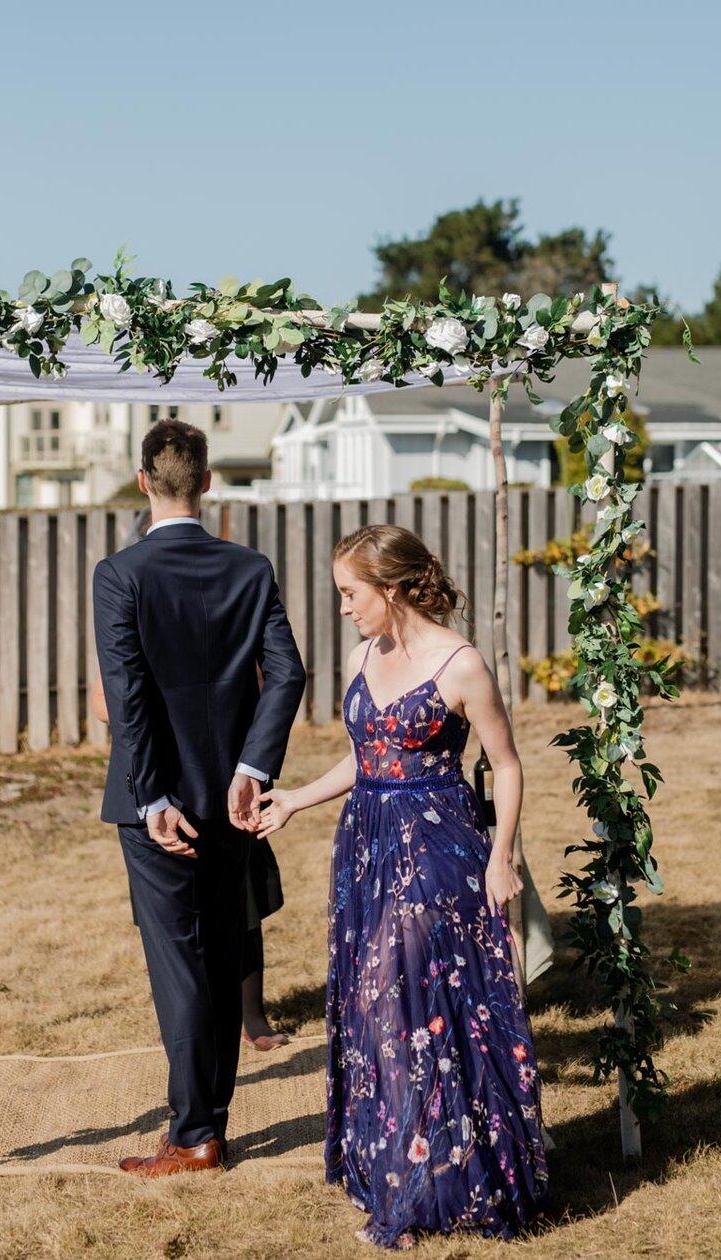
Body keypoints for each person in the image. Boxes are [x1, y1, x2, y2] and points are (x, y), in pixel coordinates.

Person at [258, 525, 548, 1247]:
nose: (345, 608)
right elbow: (368, 757)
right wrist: (295, 798)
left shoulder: (460, 664)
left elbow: (505, 765)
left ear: (390, 588)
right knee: (375, 1011)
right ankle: (408, 1175)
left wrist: (501, 856)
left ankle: (431, 1189)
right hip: (365, 850)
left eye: (352, 593)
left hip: (438, 849)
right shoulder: (364, 655)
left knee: (412, 1003)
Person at [93, 419, 305, 1176]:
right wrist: (254, 764)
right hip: (233, 795)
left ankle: (192, 1136)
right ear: (208, 483)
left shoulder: (120, 575)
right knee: (219, 957)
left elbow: (127, 699)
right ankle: (208, 1125)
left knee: (180, 963)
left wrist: (150, 799)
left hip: (154, 804)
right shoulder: (250, 569)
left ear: (144, 481)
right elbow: (288, 675)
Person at [92, 661, 289, 1052]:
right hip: (163, 781)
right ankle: (191, 1025)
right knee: (175, 920)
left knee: (242, 903)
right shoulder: (133, 629)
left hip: (225, 774)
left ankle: (250, 1014)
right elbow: (104, 702)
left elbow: (264, 685)